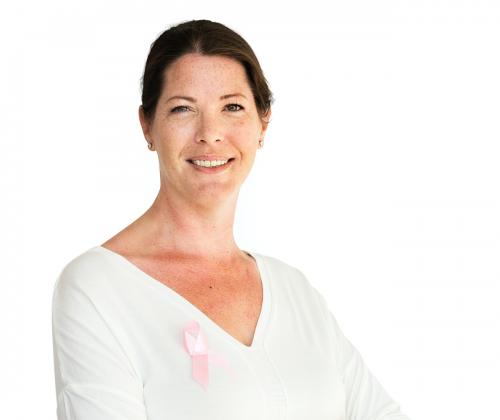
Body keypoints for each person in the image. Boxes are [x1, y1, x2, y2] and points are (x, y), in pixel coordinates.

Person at [51, 19, 411, 420]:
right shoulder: (98, 288)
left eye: (233, 107)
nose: (211, 133)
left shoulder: (294, 291)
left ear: (263, 123)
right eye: (183, 109)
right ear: (147, 125)